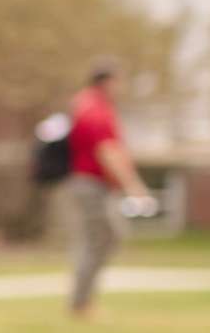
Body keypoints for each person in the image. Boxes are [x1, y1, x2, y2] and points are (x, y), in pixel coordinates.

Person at [65, 58, 154, 318]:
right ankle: (81, 304)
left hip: (90, 183)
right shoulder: (96, 110)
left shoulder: (83, 104)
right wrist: (134, 186)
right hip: (92, 184)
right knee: (100, 240)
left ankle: (82, 301)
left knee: (102, 239)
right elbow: (107, 151)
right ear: (108, 82)